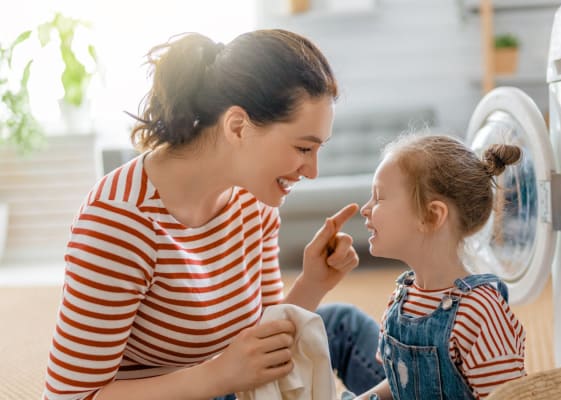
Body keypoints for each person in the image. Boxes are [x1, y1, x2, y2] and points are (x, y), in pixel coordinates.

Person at [42, 29, 384, 400]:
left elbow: (261, 338)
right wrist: (217, 376)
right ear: (237, 126)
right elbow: (69, 397)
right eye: (303, 148)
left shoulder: (254, 204)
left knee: (343, 325)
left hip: (234, 384)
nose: (312, 171)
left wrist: (313, 283)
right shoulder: (120, 222)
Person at [353, 134, 528, 399]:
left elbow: (510, 396)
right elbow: (401, 383)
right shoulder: (402, 299)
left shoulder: (479, 312)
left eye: (379, 198)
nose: (366, 209)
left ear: (432, 215)